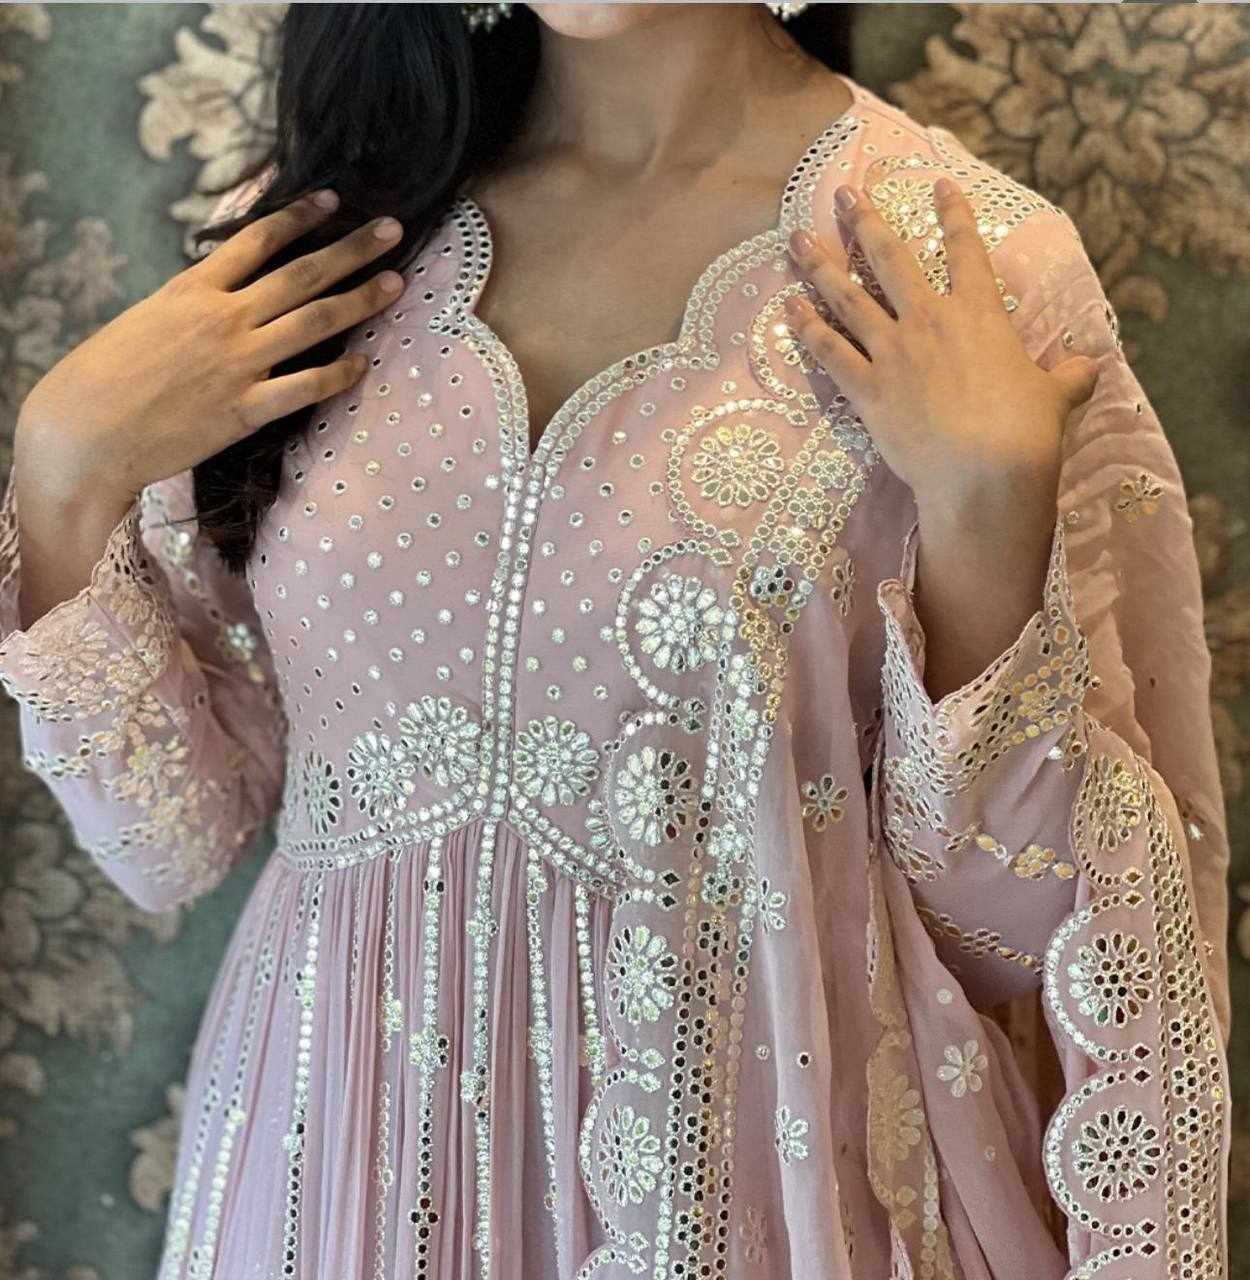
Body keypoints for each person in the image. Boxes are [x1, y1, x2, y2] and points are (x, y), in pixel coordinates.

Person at [0, 4, 1232, 1277]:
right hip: (322, 1179)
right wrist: (64, 474)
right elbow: (173, 838)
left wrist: (986, 513)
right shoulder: (328, 228)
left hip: (743, 1192)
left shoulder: (967, 267)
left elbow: (1020, 938)